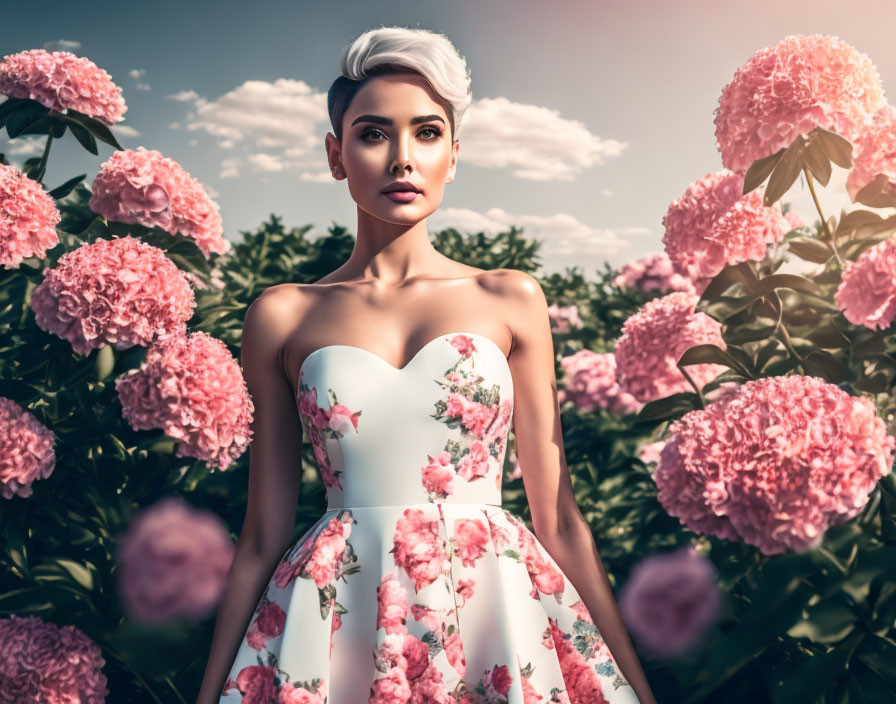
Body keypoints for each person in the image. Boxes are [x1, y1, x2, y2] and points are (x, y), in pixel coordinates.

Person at [196, 25, 657, 704]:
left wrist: (636, 688)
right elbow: (263, 533)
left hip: (496, 609)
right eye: (374, 133)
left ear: (454, 154)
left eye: (428, 133)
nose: (402, 159)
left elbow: (557, 518)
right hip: (341, 619)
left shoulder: (512, 298)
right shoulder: (283, 314)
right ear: (336, 153)